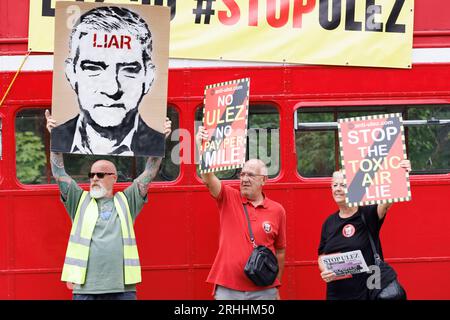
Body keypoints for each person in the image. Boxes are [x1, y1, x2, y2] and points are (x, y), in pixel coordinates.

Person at [46, 109, 171, 300]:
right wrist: (55, 138)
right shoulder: (78, 200)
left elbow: (149, 173)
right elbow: (59, 173)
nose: (94, 178)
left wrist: (159, 139)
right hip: (85, 290)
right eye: (91, 175)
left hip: (122, 288)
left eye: (100, 174)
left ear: (113, 178)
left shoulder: (126, 201)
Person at [51, 6, 165, 156]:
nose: (112, 89)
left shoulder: (158, 144)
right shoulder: (56, 139)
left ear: (149, 76)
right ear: (71, 73)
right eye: (93, 69)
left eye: (129, 70)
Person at [196, 126, 286, 300]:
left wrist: (276, 285)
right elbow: (208, 178)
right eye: (242, 174)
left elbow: (280, 251)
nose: (244, 179)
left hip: (263, 290)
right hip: (228, 288)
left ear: (264, 180)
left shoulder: (277, 210)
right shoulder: (229, 197)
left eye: (251, 175)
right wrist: (203, 148)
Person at [318, 160, 411, 300]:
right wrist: (325, 270)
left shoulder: (367, 213)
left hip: (368, 291)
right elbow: (322, 256)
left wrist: (400, 174)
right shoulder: (329, 223)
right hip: (337, 293)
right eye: (335, 185)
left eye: (343, 185)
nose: (338, 189)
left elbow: (388, 201)